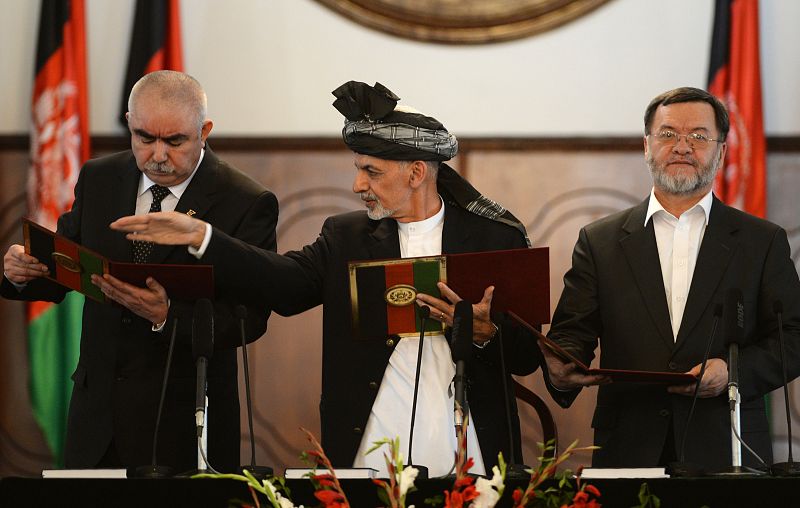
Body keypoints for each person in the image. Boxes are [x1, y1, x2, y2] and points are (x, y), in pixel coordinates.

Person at [109, 81, 541, 476]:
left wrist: (485, 332)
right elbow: (284, 284)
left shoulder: (493, 238)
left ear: (416, 173)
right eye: (358, 168)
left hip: (472, 452)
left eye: (371, 171)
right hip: (369, 453)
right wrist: (205, 238)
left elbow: (526, 356)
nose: (357, 184)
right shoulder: (346, 237)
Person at [1, 70, 278, 473]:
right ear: (129, 123)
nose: (158, 154)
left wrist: (168, 317)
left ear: (205, 131)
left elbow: (250, 320)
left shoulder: (246, 201)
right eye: (145, 138)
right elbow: (64, 267)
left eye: (175, 141)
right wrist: (21, 272)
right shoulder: (99, 178)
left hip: (186, 422)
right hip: (98, 419)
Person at [542, 87, 800, 470]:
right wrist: (561, 371)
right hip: (628, 446)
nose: (682, 146)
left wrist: (732, 374)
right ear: (647, 146)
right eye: (668, 135)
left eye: (698, 136)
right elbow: (571, 334)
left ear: (722, 151)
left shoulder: (761, 241)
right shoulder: (600, 241)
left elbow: (793, 337)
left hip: (727, 448)